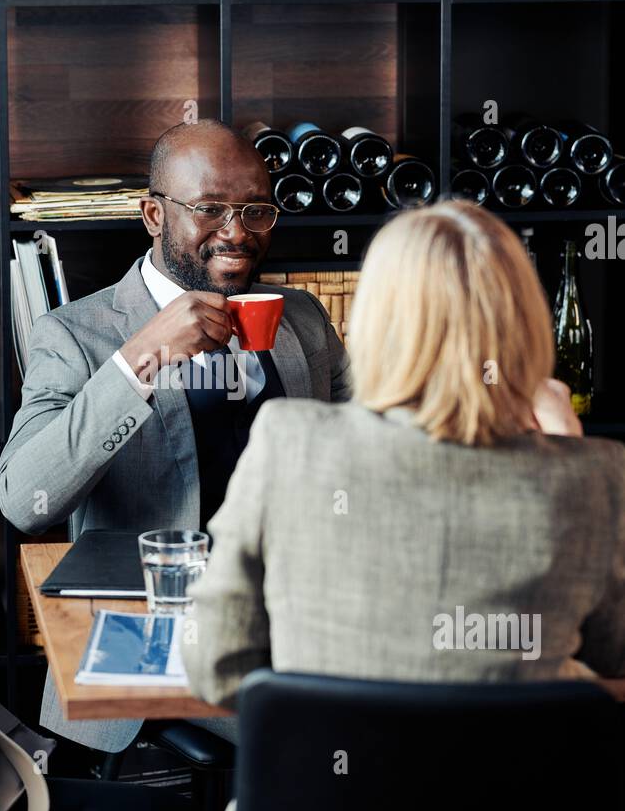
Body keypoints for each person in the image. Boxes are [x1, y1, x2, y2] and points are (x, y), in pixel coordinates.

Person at [185, 202, 625, 731]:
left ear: (377, 319)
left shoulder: (289, 440)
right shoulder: (596, 475)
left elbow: (217, 667)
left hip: (318, 810)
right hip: (520, 810)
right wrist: (567, 451)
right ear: (525, 320)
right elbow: (613, 656)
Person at [0, 119, 350, 753]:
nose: (237, 233)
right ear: (153, 215)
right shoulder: (75, 335)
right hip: (147, 634)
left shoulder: (302, 318)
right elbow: (25, 499)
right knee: (334, 727)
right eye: (210, 209)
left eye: (257, 211)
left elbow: (371, 445)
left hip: (289, 618)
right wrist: (140, 360)